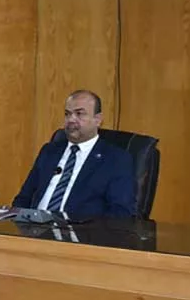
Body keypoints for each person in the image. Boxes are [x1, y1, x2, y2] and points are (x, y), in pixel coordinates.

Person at [12, 90, 136, 219]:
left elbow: (120, 212)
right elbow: (23, 199)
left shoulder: (116, 159)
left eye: (79, 114)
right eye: (67, 114)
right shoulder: (49, 151)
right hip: (34, 227)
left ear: (98, 120)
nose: (71, 119)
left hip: (80, 230)